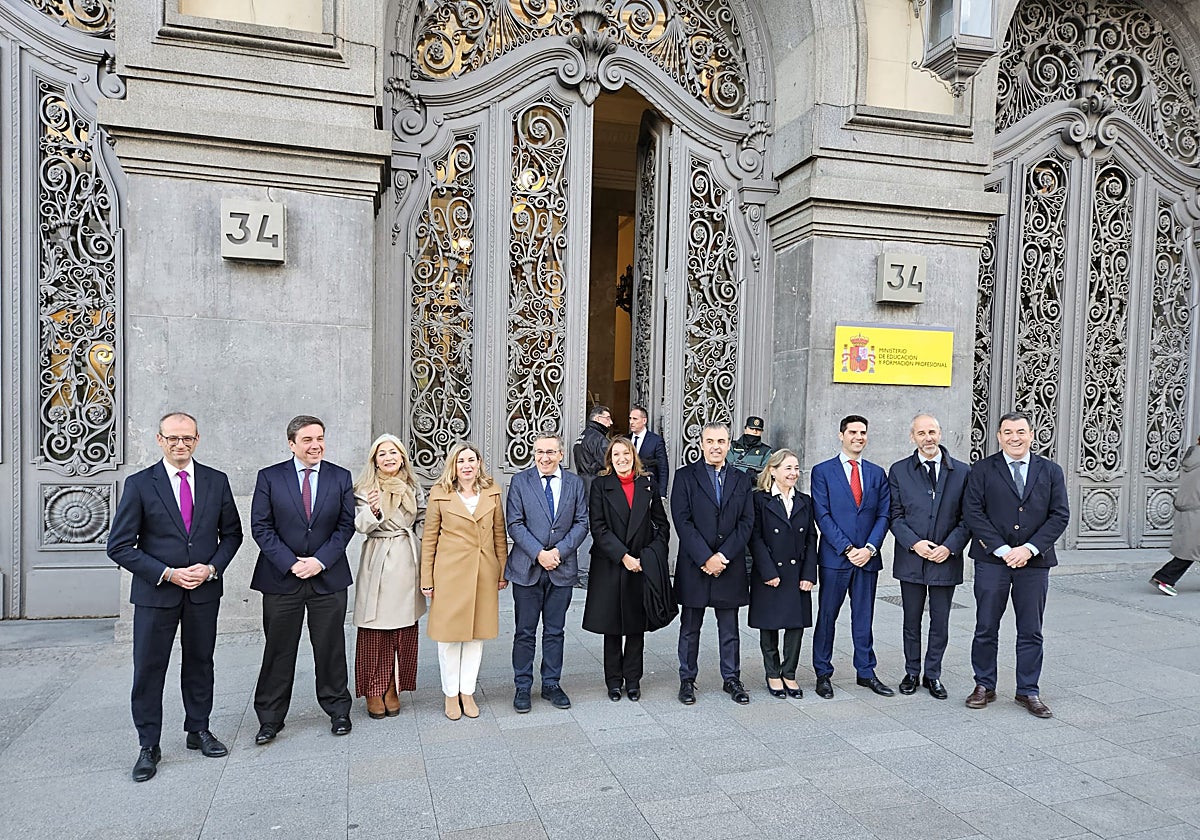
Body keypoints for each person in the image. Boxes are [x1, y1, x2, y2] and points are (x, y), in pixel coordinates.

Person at [107, 412, 243, 782]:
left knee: (200, 662)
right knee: (149, 669)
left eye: (187, 438)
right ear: (159, 440)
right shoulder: (139, 484)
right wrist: (166, 573)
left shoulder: (216, 481)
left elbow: (232, 534)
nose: (180, 444)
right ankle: (148, 745)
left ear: (197, 439)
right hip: (156, 594)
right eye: (172, 438)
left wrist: (211, 568)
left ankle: (198, 729)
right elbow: (119, 546)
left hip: (203, 591)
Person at [250, 415, 356, 744]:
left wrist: (319, 562)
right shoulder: (269, 477)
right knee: (279, 650)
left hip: (328, 578)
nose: (315, 445)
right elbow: (261, 527)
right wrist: (291, 563)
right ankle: (270, 719)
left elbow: (346, 526)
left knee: (331, 647)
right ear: (291, 444)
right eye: (308, 440)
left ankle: (338, 710)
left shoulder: (340, 477)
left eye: (320, 438)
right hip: (282, 578)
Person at [963, 410, 1070, 719]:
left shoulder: (1051, 471)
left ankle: (1028, 690)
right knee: (986, 626)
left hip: (1034, 563)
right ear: (999, 437)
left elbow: (1059, 515)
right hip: (992, 561)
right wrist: (1001, 549)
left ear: (1031, 435)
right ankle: (984, 685)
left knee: (1031, 629)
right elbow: (973, 512)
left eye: (1020, 431)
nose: (1014, 437)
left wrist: (1029, 549)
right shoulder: (982, 470)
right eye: (1008, 432)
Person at [421, 442, 509, 721]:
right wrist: (426, 578)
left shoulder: (492, 491)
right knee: (448, 637)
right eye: (461, 461)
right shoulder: (440, 493)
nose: (467, 465)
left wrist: (502, 571)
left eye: (471, 460)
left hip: (483, 571)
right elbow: (429, 538)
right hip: (449, 573)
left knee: (475, 635)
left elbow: (499, 533)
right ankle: (450, 693)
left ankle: (467, 691)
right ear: (453, 466)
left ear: (479, 462)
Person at [887, 414, 970, 700]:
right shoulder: (899, 470)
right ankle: (911, 672)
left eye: (932, 432)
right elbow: (895, 515)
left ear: (940, 433)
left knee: (940, 621)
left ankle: (932, 674)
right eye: (921, 433)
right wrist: (914, 543)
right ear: (912, 437)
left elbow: (968, 518)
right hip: (911, 558)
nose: (928, 438)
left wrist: (949, 547)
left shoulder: (962, 472)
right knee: (911, 620)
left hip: (946, 559)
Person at [672, 422, 756, 705]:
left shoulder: (742, 479)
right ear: (701, 444)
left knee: (729, 629)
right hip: (695, 564)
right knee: (690, 627)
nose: (716, 447)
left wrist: (722, 556)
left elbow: (747, 522)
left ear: (729, 444)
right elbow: (682, 520)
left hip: (728, 565)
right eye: (710, 441)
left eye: (721, 441)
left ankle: (731, 678)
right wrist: (705, 557)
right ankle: (687, 680)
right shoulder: (684, 476)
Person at [582, 437, 672, 701]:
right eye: (616, 454)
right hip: (611, 563)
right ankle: (613, 681)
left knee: (635, 626)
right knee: (611, 627)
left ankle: (633, 681)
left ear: (634, 456)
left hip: (641, 563)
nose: (622, 459)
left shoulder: (648, 483)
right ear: (610, 459)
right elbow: (598, 526)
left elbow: (662, 525)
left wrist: (650, 555)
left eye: (626, 453)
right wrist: (623, 556)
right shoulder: (600, 485)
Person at [505, 434, 589, 713]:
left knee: (555, 631)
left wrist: (559, 552)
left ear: (561, 455)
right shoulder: (520, 481)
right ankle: (522, 685)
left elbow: (582, 522)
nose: (545, 457)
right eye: (540, 451)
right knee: (524, 632)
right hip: (527, 568)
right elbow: (514, 523)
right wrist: (539, 553)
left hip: (561, 569)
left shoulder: (575, 484)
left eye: (551, 452)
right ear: (534, 454)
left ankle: (551, 683)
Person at [810, 414, 893, 699]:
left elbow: (884, 514)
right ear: (841, 435)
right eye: (853, 432)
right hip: (835, 558)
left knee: (864, 617)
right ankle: (823, 673)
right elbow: (822, 514)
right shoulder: (823, 471)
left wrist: (869, 549)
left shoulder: (877, 473)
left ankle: (866, 672)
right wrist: (847, 549)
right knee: (827, 617)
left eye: (863, 433)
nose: (858, 437)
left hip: (867, 559)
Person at [351, 434, 425, 720]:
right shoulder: (364, 488)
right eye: (382, 454)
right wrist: (374, 509)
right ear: (375, 460)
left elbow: (422, 519)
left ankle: (393, 685)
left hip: (407, 557)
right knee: (375, 628)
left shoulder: (413, 486)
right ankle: (374, 688)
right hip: (379, 558)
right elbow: (360, 525)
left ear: (402, 457)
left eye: (393, 452)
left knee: (403, 628)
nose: (388, 458)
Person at [748, 449, 817, 699]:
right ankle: (772, 673)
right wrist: (767, 571)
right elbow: (754, 537)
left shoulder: (805, 501)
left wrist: (809, 574)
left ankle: (789, 672)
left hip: (797, 573)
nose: (794, 473)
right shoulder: (759, 500)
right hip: (769, 572)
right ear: (773, 470)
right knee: (769, 625)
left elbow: (811, 538)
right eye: (788, 468)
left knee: (795, 625)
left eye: (796, 468)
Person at [1151, 434, 1200, 596]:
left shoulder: (1193, 457)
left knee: (1191, 548)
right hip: (1196, 510)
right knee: (1189, 551)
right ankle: (1164, 578)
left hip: (1188, 507)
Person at [573, 404, 613, 587]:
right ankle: (582, 572)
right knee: (591, 530)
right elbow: (610, 463)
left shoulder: (581, 437)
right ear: (598, 419)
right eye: (607, 418)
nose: (610, 423)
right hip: (594, 488)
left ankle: (578, 570)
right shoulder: (598, 439)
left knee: (581, 528)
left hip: (582, 487)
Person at [628, 404, 670, 497]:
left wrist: (662, 494)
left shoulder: (656, 440)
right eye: (630, 418)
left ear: (644, 420)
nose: (631, 422)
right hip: (628, 487)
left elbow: (662, 468)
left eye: (635, 419)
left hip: (648, 488)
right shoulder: (626, 439)